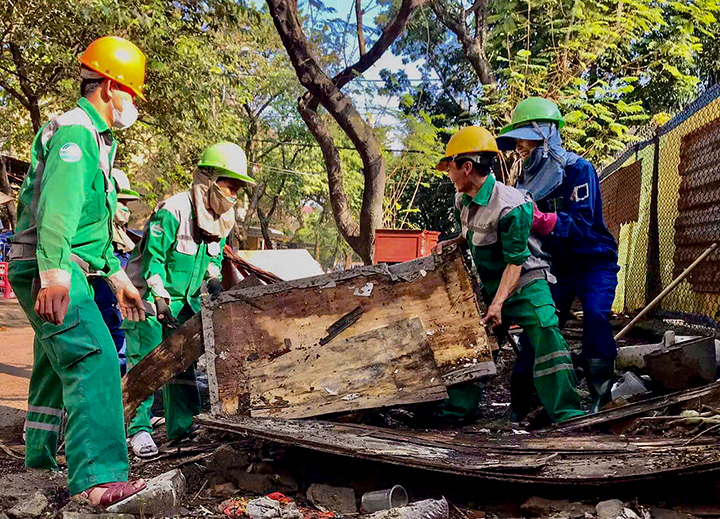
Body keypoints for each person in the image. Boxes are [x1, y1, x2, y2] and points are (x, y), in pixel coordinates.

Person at [7, 36, 148, 507]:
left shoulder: (97, 141)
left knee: (54, 362)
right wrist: (54, 276)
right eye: (131, 93)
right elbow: (60, 211)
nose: (134, 105)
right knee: (94, 358)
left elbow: (93, 225)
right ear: (109, 86)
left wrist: (119, 278)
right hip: (52, 263)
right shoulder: (77, 133)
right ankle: (98, 479)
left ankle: (38, 458)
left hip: (67, 262)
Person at [433, 126, 584, 424]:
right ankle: (457, 413)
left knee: (547, 335)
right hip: (491, 285)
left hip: (526, 282)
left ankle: (567, 414)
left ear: (467, 167)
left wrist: (498, 305)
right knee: (472, 342)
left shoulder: (513, 206)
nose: (447, 173)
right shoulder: (462, 199)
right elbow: (471, 232)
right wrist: (453, 242)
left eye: (450, 166)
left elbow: (516, 263)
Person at [124, 141, 254, 457]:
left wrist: (214, 284)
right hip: (149, 297)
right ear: (208, 179)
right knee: (146, 364)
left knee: (183, 365)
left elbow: (211, 260)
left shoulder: (222, 219)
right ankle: (137, 432)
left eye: (238, 190)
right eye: (229, 186)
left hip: (186, 300)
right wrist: (159, 297)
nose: (232, 195)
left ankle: (181, 427)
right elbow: (154, 257)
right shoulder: (173, 210)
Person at [497, 97, 620, 415]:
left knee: (595, 316)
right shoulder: (525, 183)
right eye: (519, 142)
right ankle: (521, 403)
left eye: (527, 139)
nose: (521, 147)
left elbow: (583, 225)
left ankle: (600, 397)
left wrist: (543, 220)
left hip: (594, 262)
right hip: (555, 268)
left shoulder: (578, 170)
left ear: (547, 135)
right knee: (541, 324)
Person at [90, 168, 140, 376]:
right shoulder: (92, 234)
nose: (126, 209)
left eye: (128, 204)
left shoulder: (124, 238)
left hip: (117, 311)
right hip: (97, 308)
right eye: (122, 202)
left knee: (120, 358)